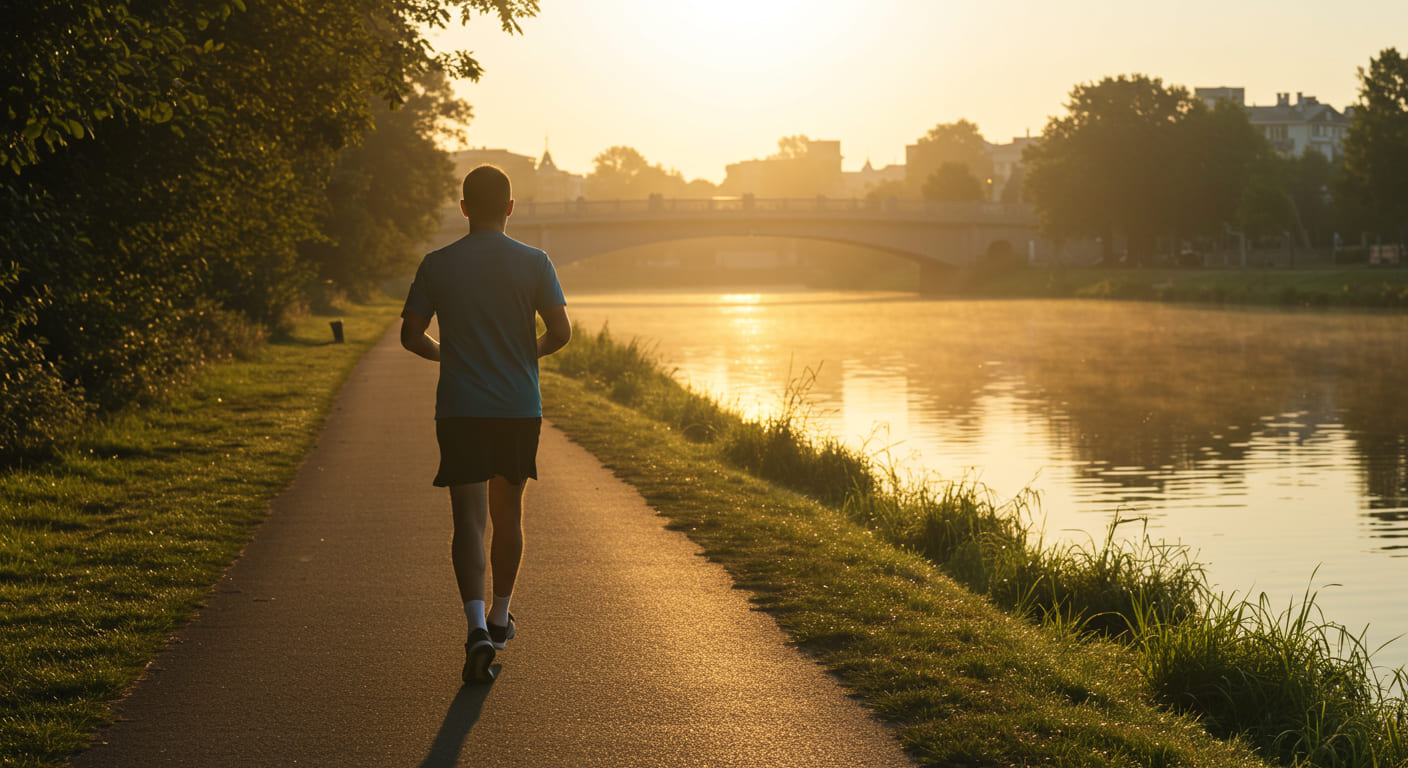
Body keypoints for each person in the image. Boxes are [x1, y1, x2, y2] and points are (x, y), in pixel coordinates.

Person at [400, 164, 571, 684]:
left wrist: (446, 356)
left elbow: (411, 335)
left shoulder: (437, 264)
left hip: (460, 408)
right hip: (518, 407)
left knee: (468, 522)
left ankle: (475, 627)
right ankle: (500, 617)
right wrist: (524, 354)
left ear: (464, 208)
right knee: (508, 516)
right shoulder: (535, 262)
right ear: (511, 208)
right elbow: (561, 332)